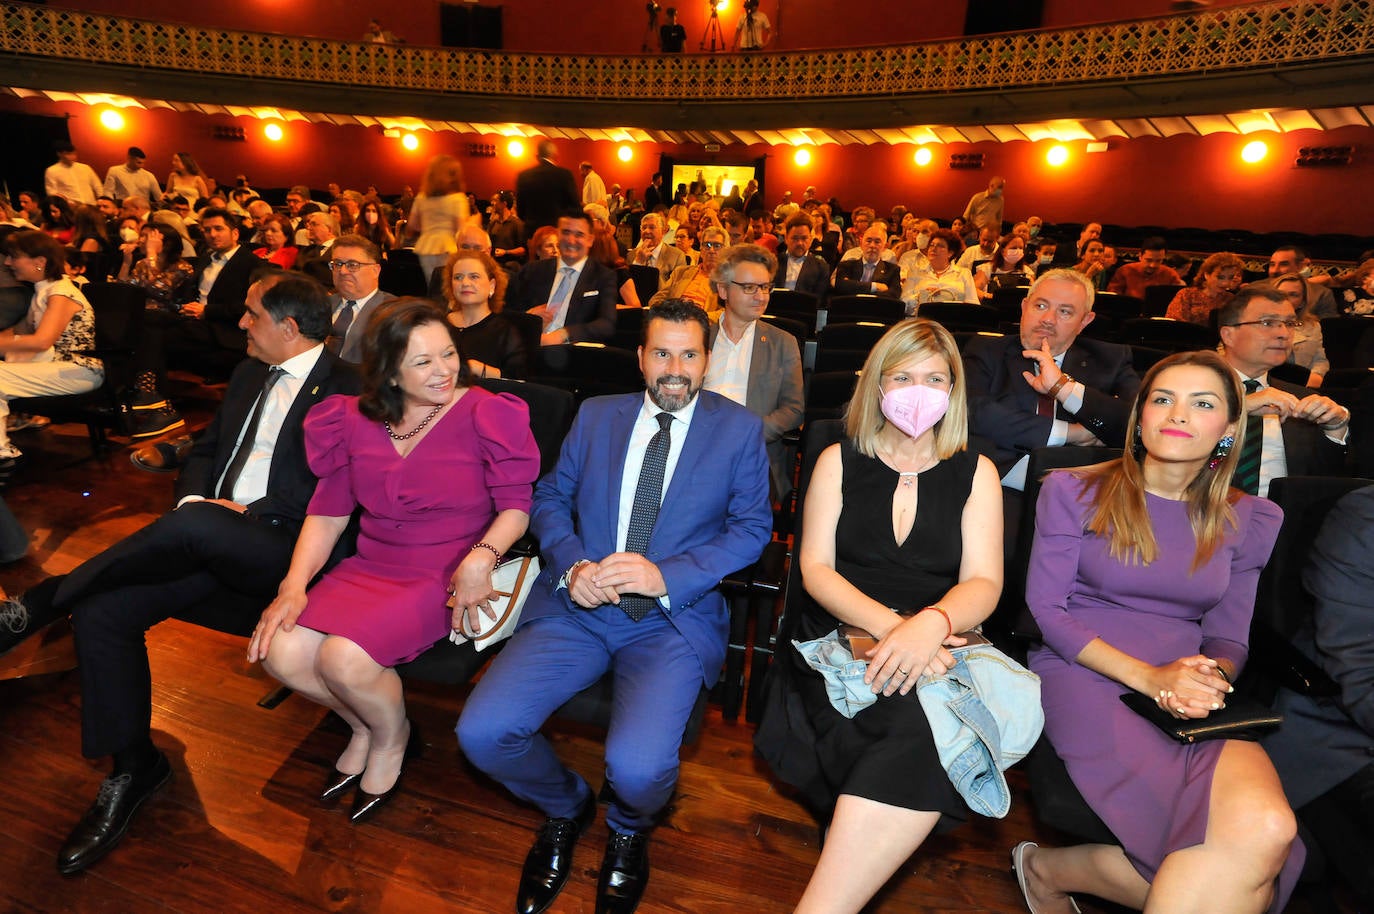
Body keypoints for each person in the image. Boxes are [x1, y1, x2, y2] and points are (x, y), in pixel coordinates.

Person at [0, 274, 358, 873]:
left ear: (290, 329)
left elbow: (339, 493)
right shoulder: (249, 373)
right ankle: (134, 766)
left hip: (288, 550)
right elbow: (205, 451)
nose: (239, 324)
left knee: (198, 528)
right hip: (210, 538)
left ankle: (39, 604)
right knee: (103, 610)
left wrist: (237, 513)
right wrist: (196, 500)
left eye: (251, 314)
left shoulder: (351, 389)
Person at [457, 300, 772, 914]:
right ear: (640, 358)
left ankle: (629, 827)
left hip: (671, 619)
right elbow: (550, 496)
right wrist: (573, 564)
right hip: (578, 607)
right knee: (483, 733)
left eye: (689, 354)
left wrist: (667, 576)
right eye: (661, 353)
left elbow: (752, 530)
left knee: (638, 771)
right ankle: (565, 806)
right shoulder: (598, 415)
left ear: (707, 360)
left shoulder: (738, 430)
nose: (674, 368)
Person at [1015, 349, 1304, 914]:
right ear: (1141, 414)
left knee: (1269, 830)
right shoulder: (1072, 489)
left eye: (1203, 403)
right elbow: (1046, 612)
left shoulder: (1253, 517)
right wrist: (1151, 678)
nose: (1178, 414)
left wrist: (1207, 679)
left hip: (1187, 682)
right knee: (1224, 873)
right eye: (1163, 399)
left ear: (1227, 428)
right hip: (1086, 669)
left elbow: (1228, 635)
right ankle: (1044, 869)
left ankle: (1044, 868)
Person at [249, 297, 538, 822]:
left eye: (449, 354)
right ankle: (364, 723)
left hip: (446, 568)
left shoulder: (487, 412)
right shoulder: (351, 420)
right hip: (372, 564)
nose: (444, 371)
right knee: (282, 653)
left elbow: (517, 507)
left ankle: (391, 737)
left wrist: (482, 555)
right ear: (388, 371)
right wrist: (293, 585)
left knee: (343, 659)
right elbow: (329, 512)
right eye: (422, 362)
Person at [768, 318, 1002, 913]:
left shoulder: (977, 472)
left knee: (920, 726)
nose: (918, 390)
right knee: (912, 731)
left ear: (954, 390)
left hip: (939, 638)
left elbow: (984, 581)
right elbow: (816, 570)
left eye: (934, 378)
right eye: (903, 376)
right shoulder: (836, 460)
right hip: (838, 638)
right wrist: (896, 630)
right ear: (877, 385)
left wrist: (931, 625)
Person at [1215, 286, 1348, 497]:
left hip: (1282, 522)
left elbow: (1321, 486)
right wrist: (1241, 407)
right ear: (1228, 335)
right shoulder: (1186, 392)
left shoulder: (1300, 399)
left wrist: (1335, 431)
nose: (1284, 334)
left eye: (1289, 324)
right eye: (1268, 323)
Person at [706, 243, 803, 498]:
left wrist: (749, 434)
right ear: (723, 290)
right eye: (749, 288)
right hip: (697, 448)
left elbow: (793, 410)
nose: (760, 296)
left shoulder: (783, 343)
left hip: (753, 457)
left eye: (765, 287)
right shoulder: (700, 335)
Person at [0, 231, 104, 463]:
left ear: (40, 262)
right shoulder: (44, 290)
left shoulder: (61, 293)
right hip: (56, 367)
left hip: (79, 370)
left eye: (13, 257)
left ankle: (3, 453)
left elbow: (41, 341)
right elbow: (19, 332)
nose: (7, 262)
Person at [508, 210, 618, 358]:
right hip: (528, 353)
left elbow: (606, 324)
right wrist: (529, 318)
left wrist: (564, 334)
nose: (571, 240)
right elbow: (505, 312)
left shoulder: (603, 276)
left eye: (579, 235)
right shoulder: (532, 271)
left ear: (590, 240)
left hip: (574, 357)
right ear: (558, 235)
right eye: (566, 232)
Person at [445, 250, 528, 379]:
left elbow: (518, 381)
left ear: (492, 286)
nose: (465, 283)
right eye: (458, 277)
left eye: (474, 276)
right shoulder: (439, 325)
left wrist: (477, 368)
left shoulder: (505, 331)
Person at [325, 235, 393, 364]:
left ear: (375, 270)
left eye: (352, 265)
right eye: (338, 264)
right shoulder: (322, 304)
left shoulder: (392, 311)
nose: (343, 271)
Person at [406, 154, 471, 284]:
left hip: (425, 246)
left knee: (431, 286)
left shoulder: (421, 197)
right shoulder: (458, 199)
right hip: (448, 247)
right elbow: (461, 231)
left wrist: (429, 226)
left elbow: (412, 225)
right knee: (449, 287)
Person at [649, 224, 726, 313]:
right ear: (701, 248)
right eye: (707, 245)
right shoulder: (680, 272)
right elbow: (656, 300)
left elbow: (727, 312)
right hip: (674, 317)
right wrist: (671, 313)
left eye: (717, 246)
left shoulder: (728, 281)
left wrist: (701, 319)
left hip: (702, 322)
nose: (711, 250)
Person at [1272, 272, 1330, 387]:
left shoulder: (1313, 326)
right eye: (1280, 294)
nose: (1286, 299)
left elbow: (1320, 360)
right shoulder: (1260, 324)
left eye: (1293, 294)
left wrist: (1316, 377)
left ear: (1302, 302)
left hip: (1304, 385)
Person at [516, 140, 580, 242]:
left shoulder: (524, 176)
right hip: (557, 233)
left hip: (532, 234)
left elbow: (520, 212)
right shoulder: (564, 175)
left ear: (537, 156)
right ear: (555, 155)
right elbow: (575, 208)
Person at [900, 228, 978, 309]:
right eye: (932, 245)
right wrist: (919, 296)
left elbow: (973, 305)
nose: (933, 248)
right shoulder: (915, 272)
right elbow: (903, 304)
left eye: (940, 246)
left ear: (950, 253)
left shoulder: (964, 273)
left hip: (953, 319)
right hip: (922, 319)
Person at [1165, 251, 1244, 326]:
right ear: (1207, 275)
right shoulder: (1187, 295)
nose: (1225, 283)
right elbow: (1174, 322)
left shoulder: (1230, 299)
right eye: (1220, 277)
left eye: (1230, 278)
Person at [834, 223, 901, 300]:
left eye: (877, 242)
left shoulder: (893, 270)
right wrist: (874, 286)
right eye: (868, 241)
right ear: (861, 243)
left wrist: (854, 286)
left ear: (885, 247)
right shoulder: (846, 266)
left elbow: (894, 295)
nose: (872, 245)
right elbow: (841, 286)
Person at [774, 212, 830, 301]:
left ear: (811, 239)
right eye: (795, 238)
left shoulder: (821, 267)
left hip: (804, 312)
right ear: (786, 238)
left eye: (804, 238)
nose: (800, 243)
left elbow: (819, 300)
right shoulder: (773, 262)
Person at [1107, 236, 1184, 299]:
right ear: (1140, 256)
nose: (1153, 265)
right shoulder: (1125, 271)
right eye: (1149, 260)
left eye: (1158, 261)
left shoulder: (1170, 275)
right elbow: (1113, 296)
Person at [974, 234, 1035, 300]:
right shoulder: (987, 269)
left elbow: (1034, 293)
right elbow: (974, 290)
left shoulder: (1027, 271)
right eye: (1013, 248)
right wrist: (990, 296)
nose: (1018, 251)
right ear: (1002, 251)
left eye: (1020, 248)